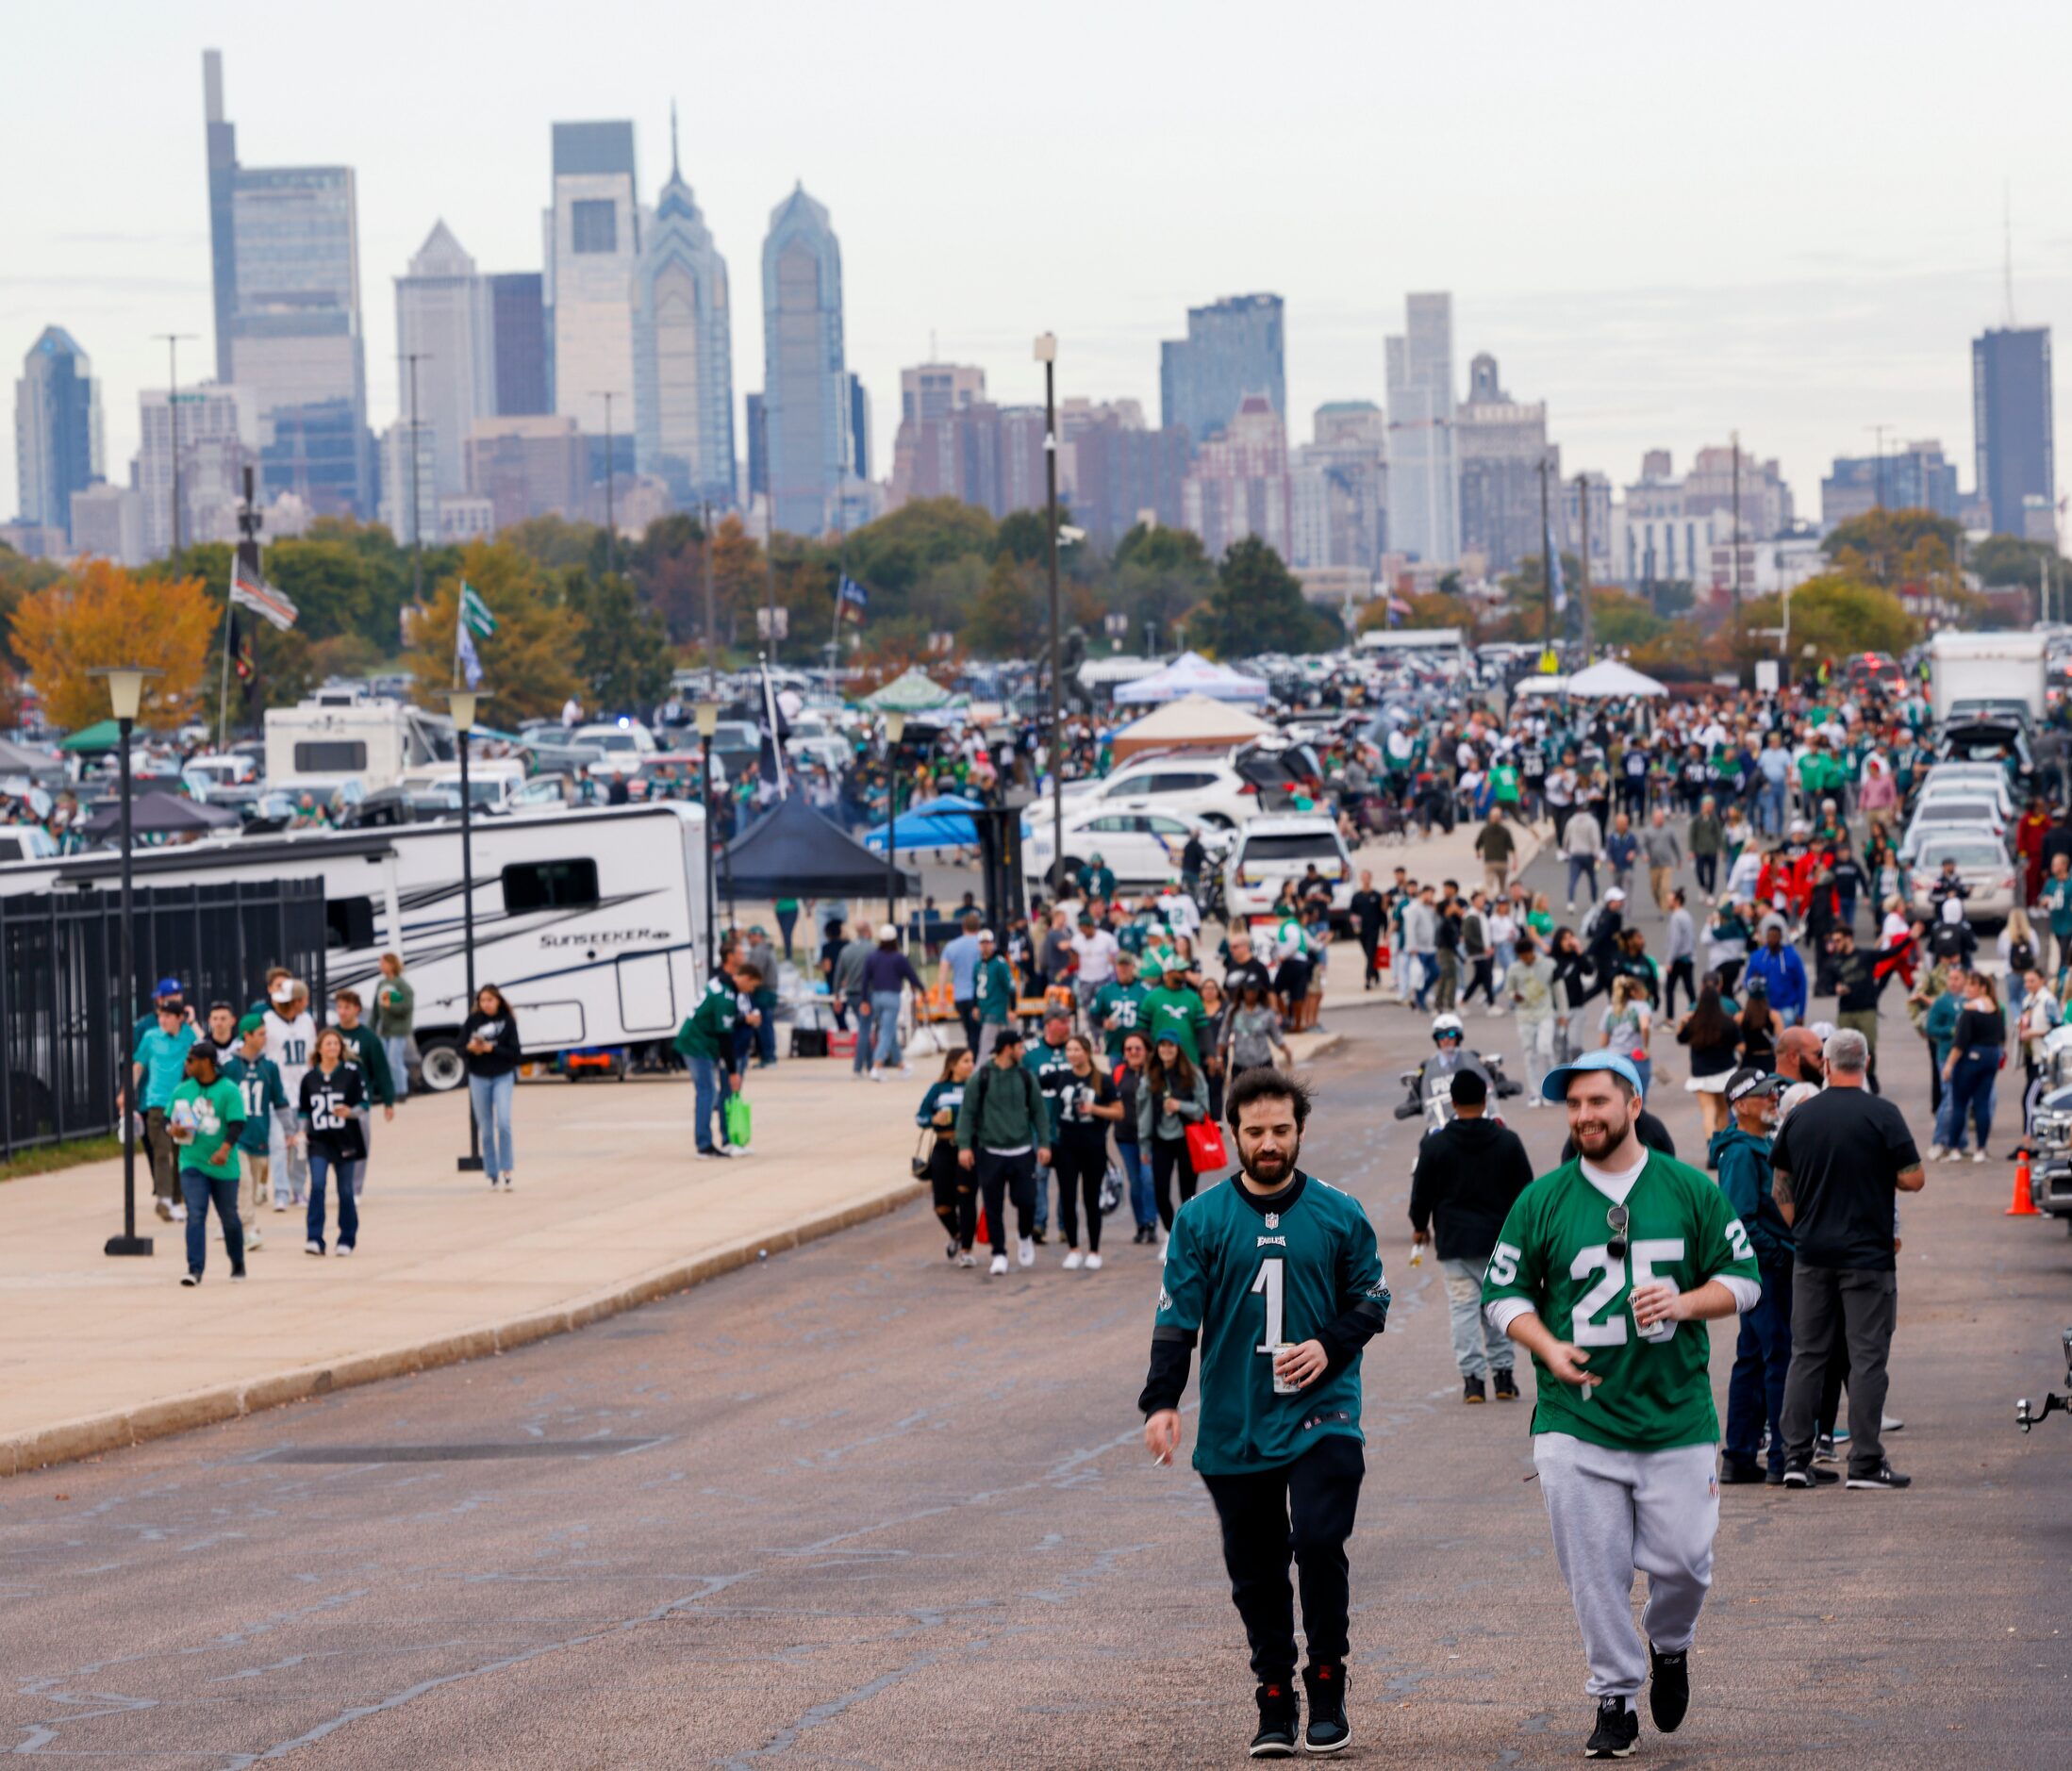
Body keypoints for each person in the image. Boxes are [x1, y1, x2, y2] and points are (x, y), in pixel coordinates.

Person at [1483, 1050, 1760, 1761]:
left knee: (1685, 1563)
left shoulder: (1688, 1190)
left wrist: (1685, 1299)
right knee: (1593, 1568)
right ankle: (1613, 1695)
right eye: (1573, 1105)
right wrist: (1544, 1345)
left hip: (1674, 1415)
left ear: (1632, 1103)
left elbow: (1745, 1280)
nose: (1583, 1117)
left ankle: (1669, 1644)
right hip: (1576, 1419)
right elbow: (1502, 1293)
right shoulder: (1541, 1199)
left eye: (1597, 1103)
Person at [1140, 1069, 1388, 1759]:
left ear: (1299, 1131)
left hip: (1323, 1410)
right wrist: (1161, 1400)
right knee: (1254, 1567)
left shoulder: (1339, 1212)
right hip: (1234, 1414)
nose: (1269, 1142)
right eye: (1255, 1132)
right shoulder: (1200, 1219)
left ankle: (1328, 1679)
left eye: (1281, 1129)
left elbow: (1373, 1298)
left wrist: (1327, 1345)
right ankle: (1274, 1692)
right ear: (1233, 1135)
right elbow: (1174, 1320)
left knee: (1315, 1541)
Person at [1772, 1028, 1925, 1490]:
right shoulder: (1883, 1114)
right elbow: (1914, 1178)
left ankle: (1795, 1459)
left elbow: (1780, 1184)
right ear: (1867, 1062)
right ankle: (1864, 1462)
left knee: (1807, 1356)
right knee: (1867, 1359)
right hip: (1868, 1257)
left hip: (1813, 1254)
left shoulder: (1802, 1117)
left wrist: (1800, 1227)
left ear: (1825, 1064)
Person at [1409, 1068, 1534, 1403]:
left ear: (1452, 1103)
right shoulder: (1507, 1141)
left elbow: (1421, 1192)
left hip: (1455, 1243)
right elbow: (1526, 1192)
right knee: (1497, 1307)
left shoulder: (1435, 1145)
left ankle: (1473, 1381)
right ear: (1484, 1100)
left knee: (1463, 1310)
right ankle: (1505, 1376)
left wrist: (1419, 1226)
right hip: (1500, 1243)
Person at [1712, 1067, 1795, 1484]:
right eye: (1764, 1094)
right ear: (1740, 1105)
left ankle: (1741, 1456)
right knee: (1778, 1356)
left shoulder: (1754, 1144)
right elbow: (1740, 1219)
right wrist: (1779, 1254)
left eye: (1775, 1092)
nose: (1773, 1098)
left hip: (1764, 1268)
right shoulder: (1743, 1152)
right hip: (1767, 1271)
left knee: (1752, 1359)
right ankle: (1782, 1458)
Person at [953, 1025, 1051, 1277]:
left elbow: (1040, 1112)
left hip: (1022, 1150)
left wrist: (1044, 1144)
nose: (1022, 1051)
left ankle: (1025, 1235)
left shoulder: (1025, 1077)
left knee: (1026, 1200)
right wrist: (964, 1146)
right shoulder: (981, 1077)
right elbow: (967, 1114)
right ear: (1008, 1048)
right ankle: (999, 1253)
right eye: (1019, 1047)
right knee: (993, 1205)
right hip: (991, 1151)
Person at [169, 1043, 248, 1286]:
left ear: (205, 1062)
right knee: (196, 1213)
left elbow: (237, 1124)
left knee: (229, 1217)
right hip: (192, 1161)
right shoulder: (183, 1090)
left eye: (191, 1060)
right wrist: (174, 1129)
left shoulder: (228, 1090)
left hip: (224, 1165)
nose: (187, 1065)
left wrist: (224, 1150)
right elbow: (167, 1119)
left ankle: (237, 1262)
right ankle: (194, 1269)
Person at [1051, 1034, 1122, 1270]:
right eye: (1068, 1050)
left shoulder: (1102, 1079)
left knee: (1092, 1199)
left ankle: (1094, 1249)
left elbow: (1118, 1112)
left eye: (1076, 1050)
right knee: (1068, 1198)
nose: (1072, 1054)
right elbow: (1032, 1083)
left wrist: (1094, 1109)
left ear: (1087, 1051)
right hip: (1066, 1147)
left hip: (1093, 1146)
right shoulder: (1062, 1076)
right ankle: (1073, 1249)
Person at [296, 1026, 368, 1257]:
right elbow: (304, 1111)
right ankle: (314, 1237)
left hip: (345, 1139)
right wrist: (300, 1133)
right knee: (317, 1185)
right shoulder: (309, 1078)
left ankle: (347, 1237)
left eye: (336, 1044)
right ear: (319, 1048)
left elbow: (364, 1105)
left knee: (345, 1190)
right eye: (328, 1044)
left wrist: (350, 1112)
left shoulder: (351, 1073)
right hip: (319, 1140)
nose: (332, 1048)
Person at [223, 1016, 286, 1256]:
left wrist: (291, 1131)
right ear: (246, 1035)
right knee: (244, 1182)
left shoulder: (268, 1066)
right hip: (235, 1135)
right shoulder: (229, 1066)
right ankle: (248, 1229)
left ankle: (233, 1220)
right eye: (260, 1033)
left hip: (259, 1133)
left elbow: (280, 1101)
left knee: (254, 1182)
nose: (264, 1038)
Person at [1138, 1033, 1209, 1247]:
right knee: (1159, 1189)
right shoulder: (1150, 1077)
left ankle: (1187, 1236)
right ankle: (1171, 1233)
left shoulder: (1193, 1075)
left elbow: (1202, 1109)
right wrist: (1144, 1143)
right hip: (1161, 1138)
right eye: (1162, 1046)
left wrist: (1180, 1106)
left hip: (1187, 1138)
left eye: (1171, 1046)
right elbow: (1144, 1112)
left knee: (1188, 1192)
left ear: (1178, 1048)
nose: (1166, 1050)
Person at [131, 998, 197, 1223]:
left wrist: (193, 1020)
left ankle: (178, 1200)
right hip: (157, 1103)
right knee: (161, 1151)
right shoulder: (151, 1037)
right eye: (160, 1016)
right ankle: (165, 1198)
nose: (162, 1020)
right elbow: (138, 1064)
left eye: (168, 1016)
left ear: (180, 1018)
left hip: (183, 1104)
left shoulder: (188, 1035)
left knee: (182, 1153)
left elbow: (205, 1045)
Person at [675, 956, 748, 1159]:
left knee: (707, 1093)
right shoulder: (725, 997)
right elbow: (725, 1036)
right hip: (695, 1045)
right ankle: (704, 1144)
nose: (750, 990)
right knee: (707, 1092)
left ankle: (707, 1142)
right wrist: (733, 1071)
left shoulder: (720, 987)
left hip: (700, 1044)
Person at [329, 991, 395, 1195]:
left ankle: (354, 1189)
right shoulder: (332, 1035)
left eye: (346, 1007)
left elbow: (381, 1071)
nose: (342, 1012)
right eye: (339, 1007)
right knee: (332, 1143)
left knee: (360, 1142)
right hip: (333, 1097)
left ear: (357, 1009)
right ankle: (342, 1181)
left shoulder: (368, 1038)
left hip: (359, 1099)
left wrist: (388, 1101)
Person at [1936, 970, 2004, 1161]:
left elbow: (1960, 1042)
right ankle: (1981, 1149)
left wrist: (1949, 1065)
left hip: (1970, 1059)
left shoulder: (1970, 1010)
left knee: (1960, 1104)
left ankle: (1955, 1148)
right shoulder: (1995, 1008)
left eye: (1971, 985)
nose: (1967, 989)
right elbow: (2001, 1037)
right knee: (1982, 1104)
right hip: (1990, 1057)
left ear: (1982, 988)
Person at [917, 1048, 975, 1262]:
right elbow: (920, 1116)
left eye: (972, 1061)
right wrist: (934, 1119)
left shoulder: (976, 1086)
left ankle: (967, 1250)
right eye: (965, 1061)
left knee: (966, 1196)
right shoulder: (939, 1088)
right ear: (952, 1065)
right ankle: (956, 1234)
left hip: (968, 1147)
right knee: (942, 1204)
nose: (970, 1065)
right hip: (943, 1147)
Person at [261, 978, 315, 1211]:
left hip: (302, 1092)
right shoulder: (269, 1021)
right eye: (304, 999)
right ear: (297, 1000)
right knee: (279, 1145)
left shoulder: (306, 1021)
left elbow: (312, 1053)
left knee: (300, 1144)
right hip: (279, 1094)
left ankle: (299, 1190)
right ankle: (281, 1192)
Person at [462, 984, 522, 1189]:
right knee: (485, 1127)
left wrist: (491, 1048)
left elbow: (515, 1053)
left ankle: (507, 1169)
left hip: (502, 1075)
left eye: (490, 1000)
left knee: (503, 1122)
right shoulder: (473, 1021)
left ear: (498, 1000)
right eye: (482, 1000)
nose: (486, 1004)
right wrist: (471, 1048)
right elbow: (459, 1046)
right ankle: (492, 1173)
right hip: (478, 1076)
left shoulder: (507, 1021)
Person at [1677, 983, 1744, 1143]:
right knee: (1723, 1111)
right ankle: (1720, 1146)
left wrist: (1681, 1023)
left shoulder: (1694, 1024)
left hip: (1701, 1074)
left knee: (1708, 1111)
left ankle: (1710, 1142)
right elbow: (1741, 1047)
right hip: (1725, 1073)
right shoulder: (1728, 1023)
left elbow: (1681, 1038)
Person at [862, 923, 927, 1079]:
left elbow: (865, 980)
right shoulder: (899, 958)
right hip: (892, 997)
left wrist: (865, 1000)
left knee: (888, 1031)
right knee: (887, 1032)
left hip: (876, 997)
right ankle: (876, 1065)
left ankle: (901, 1065)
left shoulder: (872, 957)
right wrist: (922, 989)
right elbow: (912, 976)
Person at [1111, 1030, 1156, 1245]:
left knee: (1148, 1180)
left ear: (1147, 1050)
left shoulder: (1155, 1072)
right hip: (1125, 1137)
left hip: (1150, 1138)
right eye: (1128, 1049)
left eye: (1138, 1048)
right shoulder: (1119, 1072)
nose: (1133, 1052)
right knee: (1135, 1182)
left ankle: (1151, 1222)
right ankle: (1140, 1224)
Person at [1509, 935, 1558, 1101]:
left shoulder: (1547, 964)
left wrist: (1563, 1012)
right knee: (1529, 1053)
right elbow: (1509, 989)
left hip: (1545, 1013)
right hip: (1524, 1016)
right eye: (1521, 957)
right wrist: (1513, 996)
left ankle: (1551, 1088)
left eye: (1527, 955)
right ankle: (1535, 1092)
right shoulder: (1514, 969)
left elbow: (1557, 988)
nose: (1525, 959)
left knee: (1545, 1048)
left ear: (1532, 951)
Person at [1600, 975, 1655, 1098]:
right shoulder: (1642, 1007)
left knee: (1617, 1097)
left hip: (1614, 1059)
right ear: (1634, 992)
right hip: (1636, 1056)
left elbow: (1603, 1041)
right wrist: (1645, 1047)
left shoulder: (1610, 1010)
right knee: (1638, 1098)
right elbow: (1645, 1026)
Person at [1743, 922, 1807, 1027]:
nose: (1771, 940)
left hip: (1787, 1006)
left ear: (1780, 937)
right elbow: (1747, 981)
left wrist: (1801, 1013)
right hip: (1763, 1007)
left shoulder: (1792, 957)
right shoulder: (1757, 957)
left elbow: (1802, 984)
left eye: (1775, 936)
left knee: (1787, 1021)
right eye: (1769, 936)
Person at [832, 923, 874, 1075]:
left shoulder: (846, 950)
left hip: (851, 994)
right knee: (864, 1030)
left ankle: (870, 1065)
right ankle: (858, 1067)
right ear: (868, 931)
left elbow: (838, 974)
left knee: (865, 1027)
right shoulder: (872, 949)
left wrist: (837, 996)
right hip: (868, 994)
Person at [941, 913, 985, 1052]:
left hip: (960, 996)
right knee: (978, 1033)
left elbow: (943, 972)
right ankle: (975, 1060)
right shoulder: (983, 945)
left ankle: (972, 1057)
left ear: (963, 927)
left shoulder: (952, 946)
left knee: (970, 1032)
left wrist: (941, 996)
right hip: (980, 995)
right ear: (979, 927)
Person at [373, 952, 414, 1101]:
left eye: (383, 963)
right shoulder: (381, 984)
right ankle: (391, 1089)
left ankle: (402, 1091)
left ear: (391, 964)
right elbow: (376, 1009)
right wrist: (371, 1028)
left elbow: (407, 1007)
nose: (380, 966)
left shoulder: (401, 985)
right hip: (384, 1030)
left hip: (399, 1029)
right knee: (385, 1061)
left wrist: (391, 1007)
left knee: (394, 1060)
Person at [971, 929, 1017, 1063]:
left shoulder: (999, 963)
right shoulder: (978, 965)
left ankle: (979, 1074)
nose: (985, 946)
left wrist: (1012, 1009)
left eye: (988, 942)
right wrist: (975, 1006)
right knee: (1003, 1044)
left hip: (997, 1009)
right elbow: (976, 987)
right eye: (982, 943)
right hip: (985, 1008)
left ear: (993, 944)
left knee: (987, 1045)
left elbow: (1011, 987)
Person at [1349, 870, 1386, 989]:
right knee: (1369, 955)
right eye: (1363, 877)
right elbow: (1352, 913)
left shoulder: (1377, 896)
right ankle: (1376, 974)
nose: (1365, 880)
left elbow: (1382, 914)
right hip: (1361, 931)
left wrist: (1385, 930)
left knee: (1371, 954)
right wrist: (1355, 928)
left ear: (1370, 879)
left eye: (1367, 877)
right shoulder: (1357, 896)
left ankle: (1368, 979)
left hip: (1374, 930)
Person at [1641, 808, 1682, 913]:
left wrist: (1679, 859)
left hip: (1667, 864)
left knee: (1665, 888)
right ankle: (1660, 903)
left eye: (1662, 818)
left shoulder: (1669, 830)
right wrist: (1645, 854)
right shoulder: (1648, 831)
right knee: (1654, 890)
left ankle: (1664, 911)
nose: (1660, 820)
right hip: (1654, 865)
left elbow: (1675, 845)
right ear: (1653, 819)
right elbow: (1643, 846)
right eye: (1658, 818)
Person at [1475, 807, 1517, 897]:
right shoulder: (1505, 831)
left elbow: (1477, 844)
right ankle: (1503, 902)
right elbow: (1512, 848)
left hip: (1490, 861)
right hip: (1502, 861)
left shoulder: (1485, 830)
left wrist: (1478, 853)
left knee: (1489, 885)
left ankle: (1490, 901)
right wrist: (1515, 861)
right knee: (1502, 884)